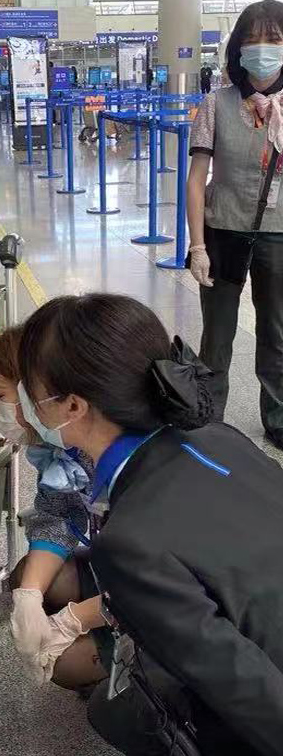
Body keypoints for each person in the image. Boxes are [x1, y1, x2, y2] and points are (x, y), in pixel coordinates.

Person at [0, 294, 283, 756]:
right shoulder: (216, 437)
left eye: (30, 391)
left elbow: (244, 684)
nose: (21, 405)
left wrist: (80, 619)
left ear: (72, 406)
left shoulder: (133, 540)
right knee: (115, 711)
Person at [0, 329, 111, 691]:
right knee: (29, 579)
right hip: (120, 571)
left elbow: (162, 582)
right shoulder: (66, 447)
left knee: (71, 669)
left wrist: (75, 619)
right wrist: (30, 595)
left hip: (168, 599)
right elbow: (58, 516)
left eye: (2, 396)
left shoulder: (118, 458)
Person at [188, 0, 283, 449]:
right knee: (218, 333)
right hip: (222, 229)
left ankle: (278, 417)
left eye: (274, 40)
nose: (262, 49)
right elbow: (196, 178)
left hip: (279, 233)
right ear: (238, 49)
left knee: (277, 331)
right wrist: (197, 245)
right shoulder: (215, 103)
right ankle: (210, 418)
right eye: (252, 40)